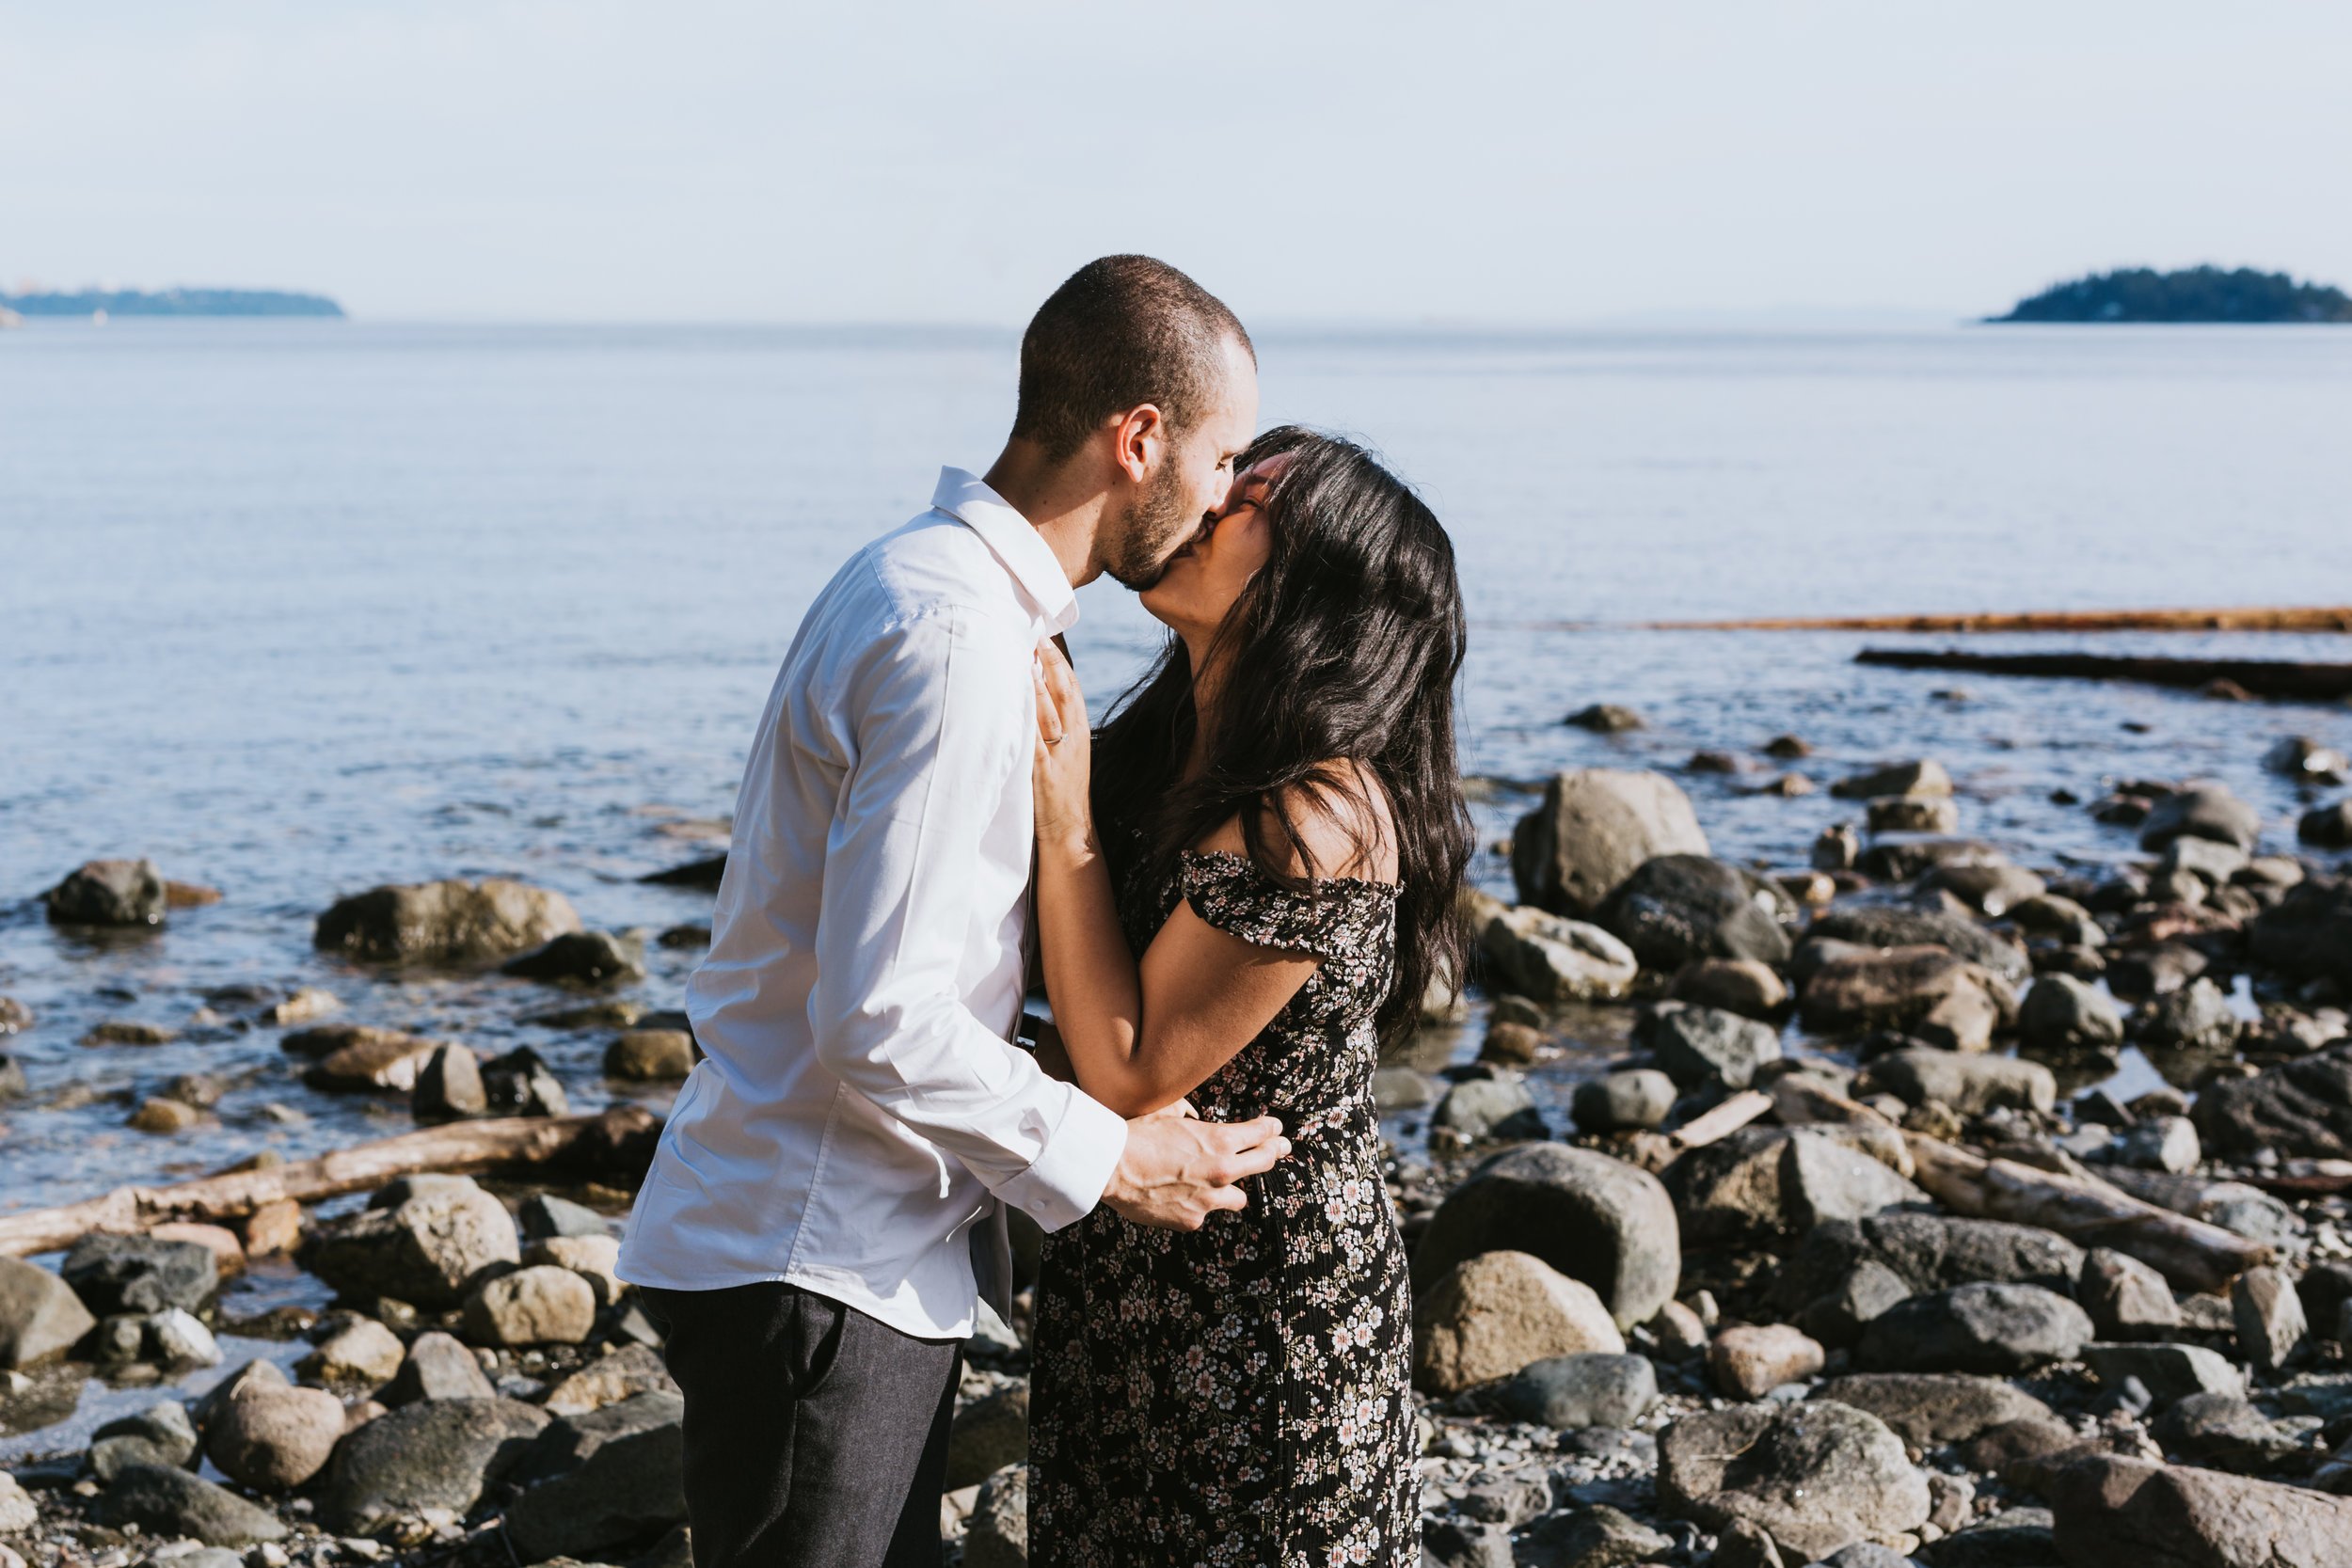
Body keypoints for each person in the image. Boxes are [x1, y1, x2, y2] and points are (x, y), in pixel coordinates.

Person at [616, 255, 1293, 1568]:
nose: (1226, 494)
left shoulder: (927, 587)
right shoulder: (955, 637)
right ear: (1139, 436)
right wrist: (1110, 1152)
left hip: (828, 1249)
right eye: (1223, 455)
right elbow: (880, 1016)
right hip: (818, 1258)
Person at [1024, 426, 1473, 1568]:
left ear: (1317, 583)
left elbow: (1127, 1060)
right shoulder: (1162, 751)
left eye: (1249, 493)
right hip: (1118, 1279)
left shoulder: (1321, 816)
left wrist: (1063, 821)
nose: (1206, 495)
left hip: (1267, 1319)